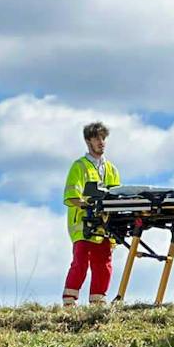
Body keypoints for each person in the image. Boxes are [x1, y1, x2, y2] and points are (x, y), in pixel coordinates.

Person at [62, 122, 122, 306]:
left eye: (103, 138)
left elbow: (117, 197)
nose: (101, 142)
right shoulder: (79, 166)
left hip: (104, 225)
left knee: (104, 263)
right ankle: (69, 302)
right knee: (80, 263)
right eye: (97, 138)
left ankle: (98, 303)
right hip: (83, 224)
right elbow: (71, 196)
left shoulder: (111, 169)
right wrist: (88, 206)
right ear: (88, 141)